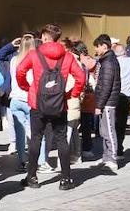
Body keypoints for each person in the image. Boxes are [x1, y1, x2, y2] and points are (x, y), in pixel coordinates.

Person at [15, 24, 88, 190]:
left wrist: (27, 87)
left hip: (37, 103)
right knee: (62, 139)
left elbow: (20, 70)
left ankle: (32, 177)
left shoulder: (34, 55)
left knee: (36, 139)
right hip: (59, 104)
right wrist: (71, 94)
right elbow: (81, 78)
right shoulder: (68, 56)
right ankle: (65, 179)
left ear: (45, 37)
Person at [92, 34, 124, 173]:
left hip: (107, 102)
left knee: (109, 131)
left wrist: (99, 105)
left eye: (97, 47)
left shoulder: (109, 62)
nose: (96, 50)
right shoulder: (106, 61)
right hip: (106, 101)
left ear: (104, 46)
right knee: (104, 131)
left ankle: (111, 158)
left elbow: (106, 86)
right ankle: (107, 157)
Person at [8, 34, 37, 168]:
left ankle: (22, 160)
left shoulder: (14, 60)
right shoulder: (34, 60)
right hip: (29, 98)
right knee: (32, 131)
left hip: (15, 98)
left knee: (20, 132)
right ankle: (34, 159)